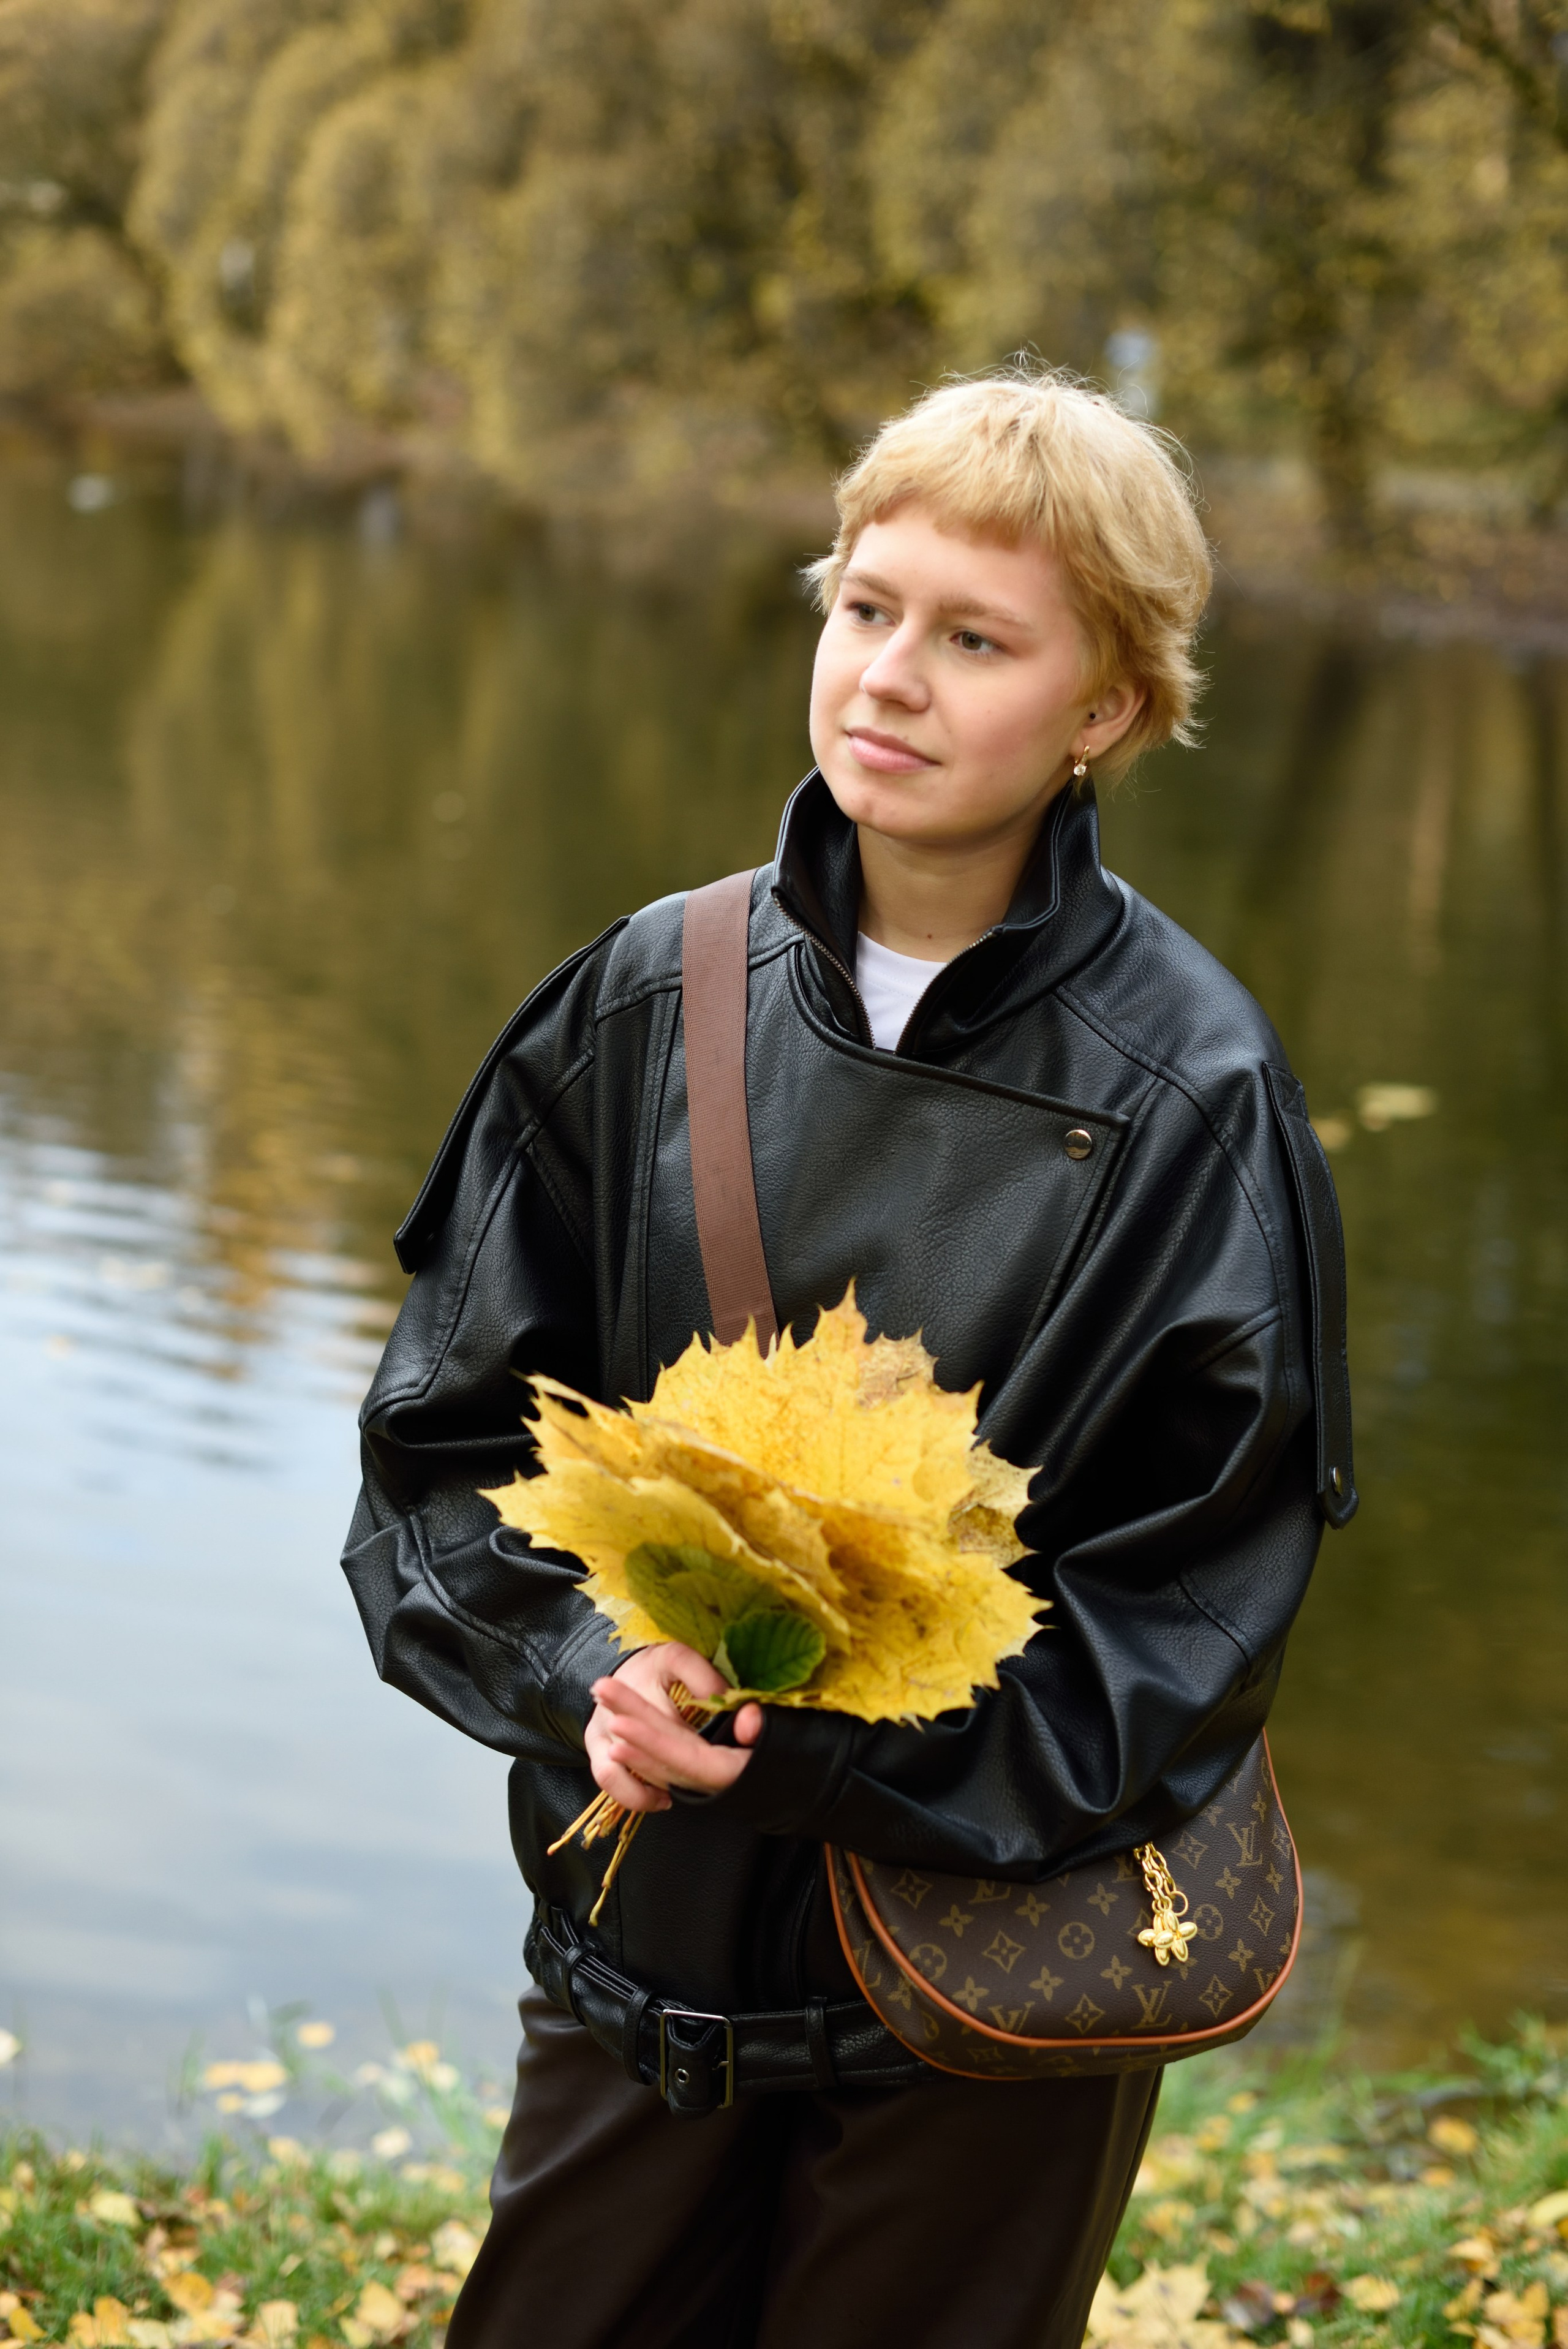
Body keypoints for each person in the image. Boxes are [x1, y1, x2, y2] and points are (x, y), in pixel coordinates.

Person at [342, 366, 1354, 2349]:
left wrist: (823, 1742)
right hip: (640, 1970)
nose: (889, 673)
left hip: (986, 2008)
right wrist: (588, 1676)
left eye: (975, 638)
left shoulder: (1197, 1098)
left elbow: (1190, 1629)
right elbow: (440, 1454)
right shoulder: (648, 996)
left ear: (1104, 711)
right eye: (865, 603)